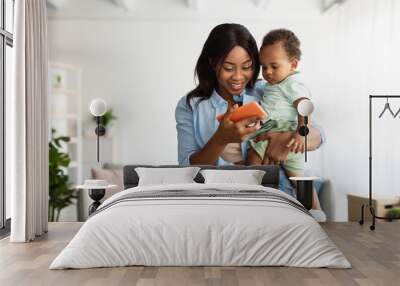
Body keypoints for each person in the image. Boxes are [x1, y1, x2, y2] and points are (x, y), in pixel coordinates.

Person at [175, 23, 326, 220]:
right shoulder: (191, 106)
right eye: (229, 68)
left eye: (247, 67)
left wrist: (285, 140)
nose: (238, 77)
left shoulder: (270, 89)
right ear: (213, 63)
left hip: (280, 197)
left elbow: (318, 135)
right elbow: (188, 170)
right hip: (220, 205)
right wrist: (220, 139)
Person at [247, 29, 310, 179]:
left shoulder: (292, 83)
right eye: (264, 66)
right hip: (275, 129)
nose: (268, 71)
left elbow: (305, 106)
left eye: (274, 66)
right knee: (300, 182)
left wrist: (301, 133)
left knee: (251, 167)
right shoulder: (273, 84)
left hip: (283, 129)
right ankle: (311, 203)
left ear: (293, 64)